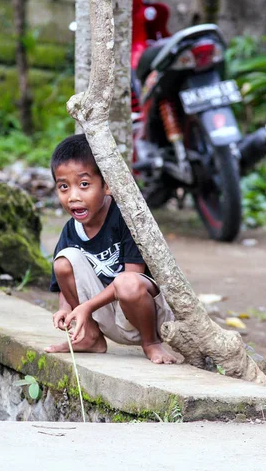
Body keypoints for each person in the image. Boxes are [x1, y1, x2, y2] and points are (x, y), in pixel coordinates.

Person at [45, 134, 177, 364]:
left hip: (145, 315)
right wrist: (65, 310)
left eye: (84, 184)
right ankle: (91, 337)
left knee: (127, 282)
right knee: (63, 262)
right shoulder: (71, 229)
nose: (73, 196)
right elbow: (64, 282)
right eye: (63, 187)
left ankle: (151, 342)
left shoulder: (124, 218)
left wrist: (87, 307)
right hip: (106, 315)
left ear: (106, 185)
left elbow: (132, 278)